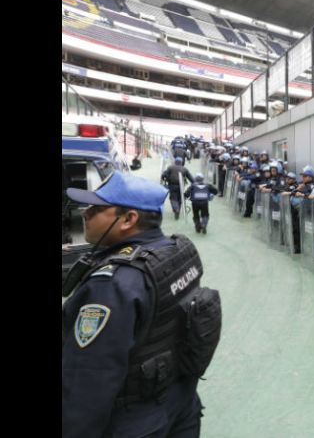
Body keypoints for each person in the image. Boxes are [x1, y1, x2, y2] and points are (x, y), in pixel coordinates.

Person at [62, 171, 216, 438]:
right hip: (180, 403)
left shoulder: (112, 284)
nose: (85, 214)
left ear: (128, 219)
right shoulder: (176, 252)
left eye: (96, 208)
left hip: (134, 421)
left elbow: (90, 379)